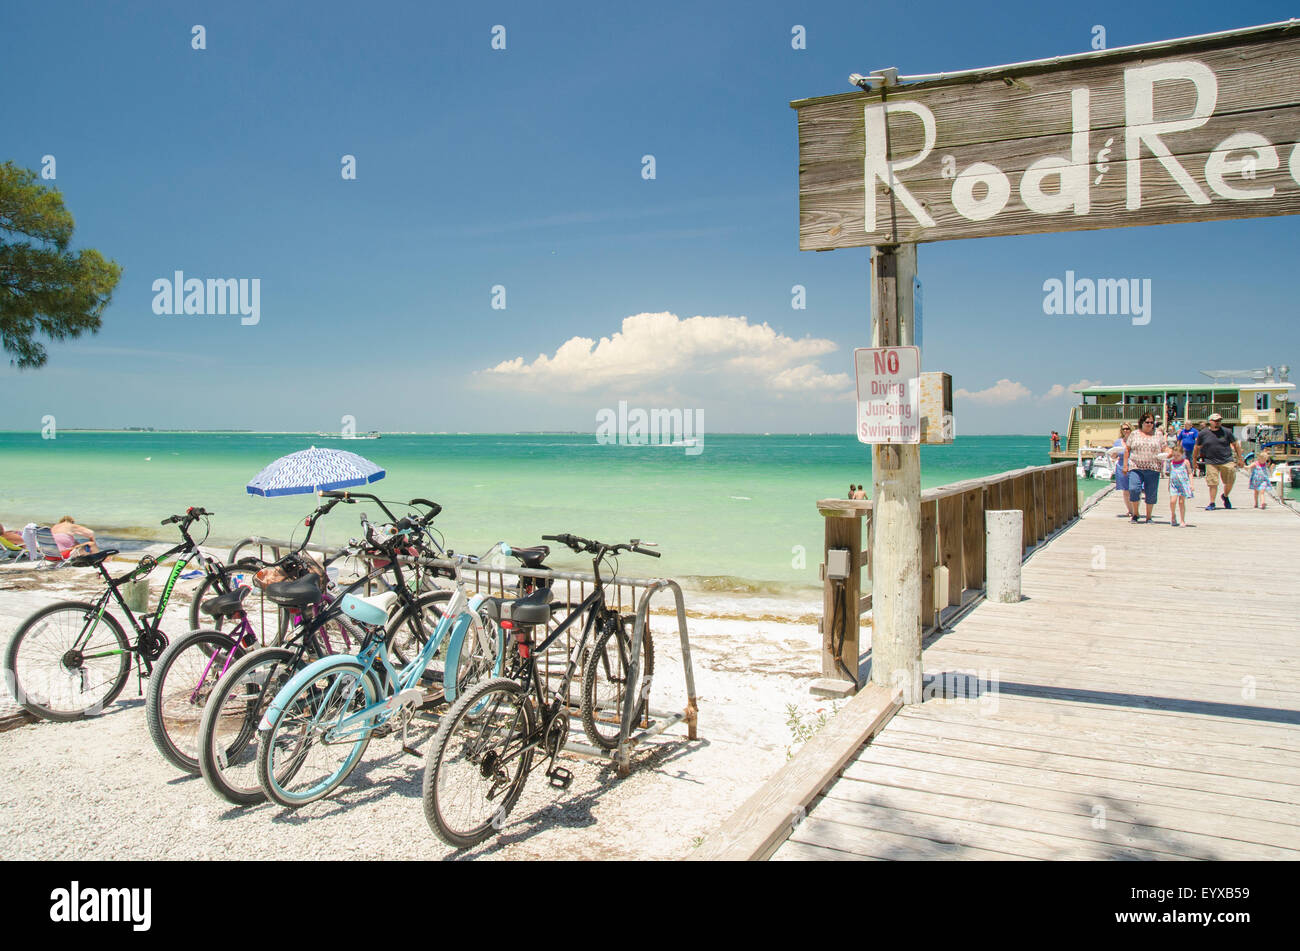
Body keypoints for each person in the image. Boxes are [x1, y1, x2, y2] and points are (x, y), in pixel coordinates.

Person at [1195, 413, 1245, 510]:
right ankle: (1212, 503)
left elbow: (1236, 445)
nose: (1218, 423)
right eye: (1216, 421)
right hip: (1211, 461)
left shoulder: (1227, 432)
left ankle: (1225, 496)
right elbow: (1197, 447)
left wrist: (1240, 458)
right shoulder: (1203, 433)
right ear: (1210, 422)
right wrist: (1194, 460)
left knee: (1230, 480)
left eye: (1219, 421)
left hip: (1227, 460)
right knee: (1213, 482)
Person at [1124, 412, 1164, 523]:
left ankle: (1148, 516)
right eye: (1147, 422)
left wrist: (1171, 454)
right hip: (1135, 466)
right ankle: (1135, 514)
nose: (1149, 424)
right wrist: (1125, 465)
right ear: (1142, 422)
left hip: (1153, 467)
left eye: (1152, 422)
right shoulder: (1134, 434)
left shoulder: (1158, 434)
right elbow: (1127, 449)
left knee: (1151, 493)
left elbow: (1164, 448)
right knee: (1134, 489)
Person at [1109, 424, 1135, 517]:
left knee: (1134, 489)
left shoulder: (1134, 441)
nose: (1125, 430)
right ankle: (1130, 510)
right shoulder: (1117, 442)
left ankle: (1135, 509)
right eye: (1123, 429)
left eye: (1127, 428)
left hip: (1133, 466)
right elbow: (1113, 456)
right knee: (1126, 490)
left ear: (1131, 429)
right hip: (1121, 467)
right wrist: (1113, 453)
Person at [1166, 442, 1193, 527]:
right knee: (1172, 501)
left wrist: (1191, 484)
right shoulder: (1171, 463)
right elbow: (1171, 474)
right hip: (1174, 484)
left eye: (1178, 455)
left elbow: (1190, 473)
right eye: (1174, 455)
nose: (1176, 457)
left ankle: (1182, 520)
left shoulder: (1185, 462)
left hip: (1183, 484)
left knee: (1181, 502)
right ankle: (1173, 515)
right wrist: (1168, 484)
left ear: (1182, 454)